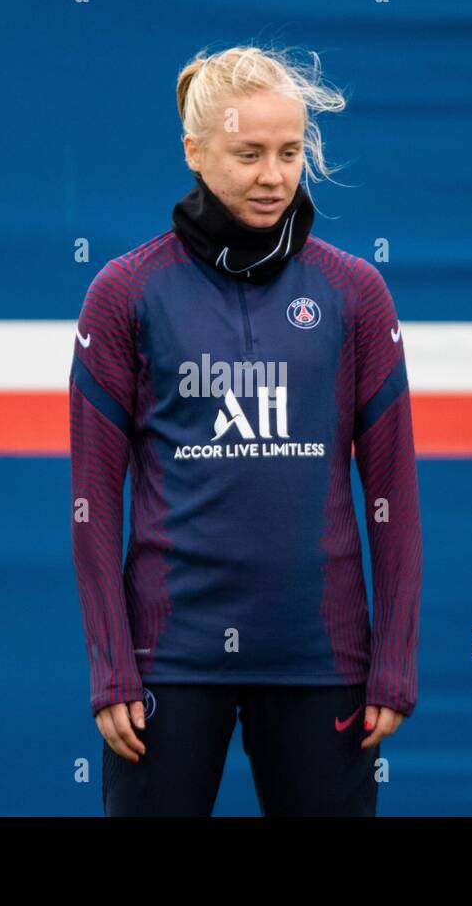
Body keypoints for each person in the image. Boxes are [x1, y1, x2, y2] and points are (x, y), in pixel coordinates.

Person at [69, 44, 422, 816]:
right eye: (249, 153)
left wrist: (392, 660)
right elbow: (92, 501)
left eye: (290, 152)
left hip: (320, 660)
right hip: (168, 663)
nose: (273, 175)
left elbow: (392, 492)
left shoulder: (355, 292)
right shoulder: (125, 293)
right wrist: (111, 667)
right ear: (194, 151)